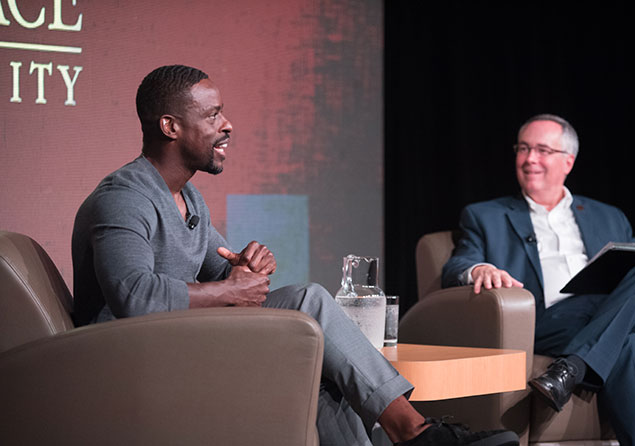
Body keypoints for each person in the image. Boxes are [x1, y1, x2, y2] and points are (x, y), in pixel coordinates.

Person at [71, 65, 519, 446]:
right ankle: (415, 432)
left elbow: (218, 273)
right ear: (170, 127)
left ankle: (413, 432)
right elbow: (133, 296)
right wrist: (230, 288)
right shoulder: (124, 198)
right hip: (126, 357)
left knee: (318, 357)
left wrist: (242, 269)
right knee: (308, 302)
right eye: (212, 115)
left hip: (179, 341)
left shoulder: (188, 198)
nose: (227, 124)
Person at [442, 114, 635, 446]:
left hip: (611, 315)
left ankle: (572, 367)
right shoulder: (485, 215)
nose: (529, 159)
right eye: (523, 149)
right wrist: (478, 269)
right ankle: (577, 366)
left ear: (568, 161)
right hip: (548, 321)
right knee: (625, 343)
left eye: (541, 150)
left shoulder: (608, 215)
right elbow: (458, 263)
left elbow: (634, 275)